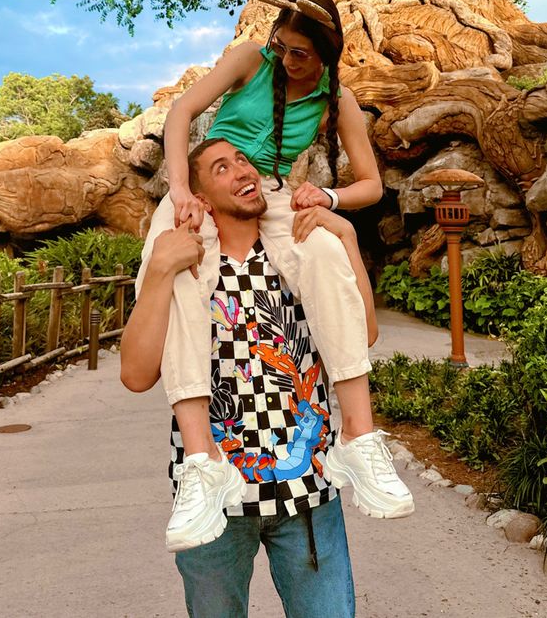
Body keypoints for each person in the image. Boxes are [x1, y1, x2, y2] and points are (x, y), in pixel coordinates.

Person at [135, 0, 414, 552]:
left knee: (329, 254)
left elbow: (372, 185)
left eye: (300, 54)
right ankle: (200, 465)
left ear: (327, 55)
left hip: (272, 193)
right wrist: (182, 192)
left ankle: (359, 439)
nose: (286, 61)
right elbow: (182, 114)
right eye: (282, 48)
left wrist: (329, 200)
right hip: (204, 186)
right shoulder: (247, 60)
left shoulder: (340, 101)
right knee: (182, 276)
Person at [121, 139, 414, 618]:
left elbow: (365, 333)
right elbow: (136, 375)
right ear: (198, 196)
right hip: (216, 499)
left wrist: (348, 240)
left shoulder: (297, 253)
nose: (241, 171)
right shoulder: (187, 270)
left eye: (243, 161)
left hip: (309, 489)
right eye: (221, 168)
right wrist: (158, 269)